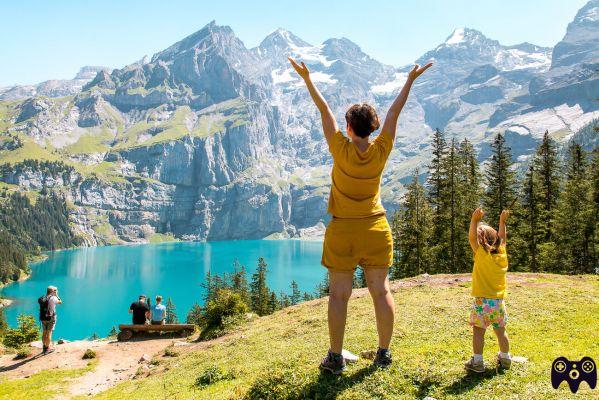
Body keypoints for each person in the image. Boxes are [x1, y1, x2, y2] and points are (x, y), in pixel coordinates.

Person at [289, 57, 432, 374]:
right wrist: (409, 80)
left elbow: (324, 111)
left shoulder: (339, 147)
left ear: (349, 127)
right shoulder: (381, 150)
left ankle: (336, 358)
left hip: (342, 232)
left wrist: (307, 79)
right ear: (373, 128)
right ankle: (383, 354)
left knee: (339, 296)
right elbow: (395, 112)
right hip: (376, 229)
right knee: (381, 292)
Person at [464, 207, 512, 373]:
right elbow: (503, 238)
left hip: (482, 301)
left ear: (481, 241)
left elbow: (471, 238)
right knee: (501, 332)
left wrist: (474, 220)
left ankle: (477, 362)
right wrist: (502, 222)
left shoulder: (481, 254)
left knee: (478, 332)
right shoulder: (502, 254)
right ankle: (505, 358)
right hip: (499, 302)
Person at [39, 285, 62, 354]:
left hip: (43, 317)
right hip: (51, 317)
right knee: (49, 332)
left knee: (44, 332)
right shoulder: (53, 298)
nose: (56, 291)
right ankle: (47, 348)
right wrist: (57, 295)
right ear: (52, 291)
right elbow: (60, 302)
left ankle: (44, 347)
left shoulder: (43, 297)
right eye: (55, 290)